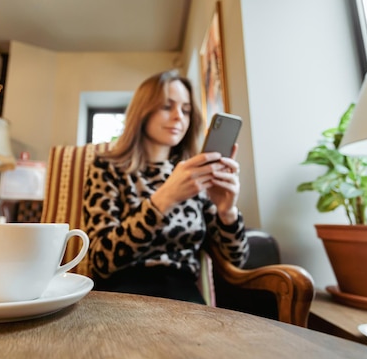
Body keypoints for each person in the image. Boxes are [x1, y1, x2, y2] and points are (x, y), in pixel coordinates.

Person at [82, 70, 249, 304]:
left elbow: (236, 261)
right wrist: (164, 199)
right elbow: (101, 260)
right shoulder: (107, 167)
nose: (178, 116)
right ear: (143, 111)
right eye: (166, 106)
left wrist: (227, 211)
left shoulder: (195, 174)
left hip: (182, 296)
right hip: (119, 292)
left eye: (186, 110)